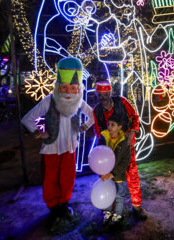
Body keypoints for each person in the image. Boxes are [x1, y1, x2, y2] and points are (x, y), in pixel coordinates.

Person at [21, 57, 94, 229]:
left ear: (78, 88)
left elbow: (93, 114)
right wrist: (41, 132)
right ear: (58, 86)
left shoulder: (78, 102)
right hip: (51, 147)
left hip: (70, 146)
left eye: (73, 87)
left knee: (67, 177)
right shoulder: (49, 100)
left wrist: (83, 127)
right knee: (51, 178)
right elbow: (28, 119)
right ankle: (53, 206)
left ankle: (64, 204)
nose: (68, 91)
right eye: (65, 87)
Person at [93, 81, 147, 220]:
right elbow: (98, 132)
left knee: (132, 174)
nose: (103, 98)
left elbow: (135, 116)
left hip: (126, 146)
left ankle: (136, 206)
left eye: (105, 94)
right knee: (110, 178)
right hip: (109, 151)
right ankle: (109, 206)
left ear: (110, 93)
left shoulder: (122, 102)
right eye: (100, 95)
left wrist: (132, 132)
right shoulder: (97, 111)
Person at [97, 114, 131, 225]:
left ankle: (118, 214)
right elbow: (97, 157)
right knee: (107, 193)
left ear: (120, 127)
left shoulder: (124, 142)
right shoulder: (103, 139)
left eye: (113, 125)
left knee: (119, 195)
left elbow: (125, 162)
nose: (109, 127)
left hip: (118, 176)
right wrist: (101, 173)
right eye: (108, 124)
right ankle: (107, 212)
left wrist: (113, 173)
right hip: (105, 175)